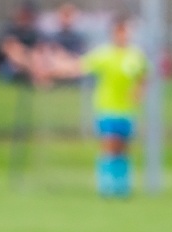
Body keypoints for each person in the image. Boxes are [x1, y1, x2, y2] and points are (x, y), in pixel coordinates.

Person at [44, 15, 147, 198]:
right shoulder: (104, 54)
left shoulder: (135, 55)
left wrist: (139, 90)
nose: (123, 35)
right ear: (113, 33)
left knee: (123, 147)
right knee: (109, 145)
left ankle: (122, 185)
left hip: (127, 110)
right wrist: (56, 69)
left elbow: (144, 74)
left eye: (126, 31)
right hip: (107, 108)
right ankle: (107, 185)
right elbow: (79, 66)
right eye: (120, 31)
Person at [0, 0, 41, 83]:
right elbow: (9, 49)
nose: (25, 17)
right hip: (8, 65)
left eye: (28, 15)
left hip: (30, 63)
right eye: (24, 14)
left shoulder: (33, 32)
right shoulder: (10, 29)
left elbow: (38, 49)